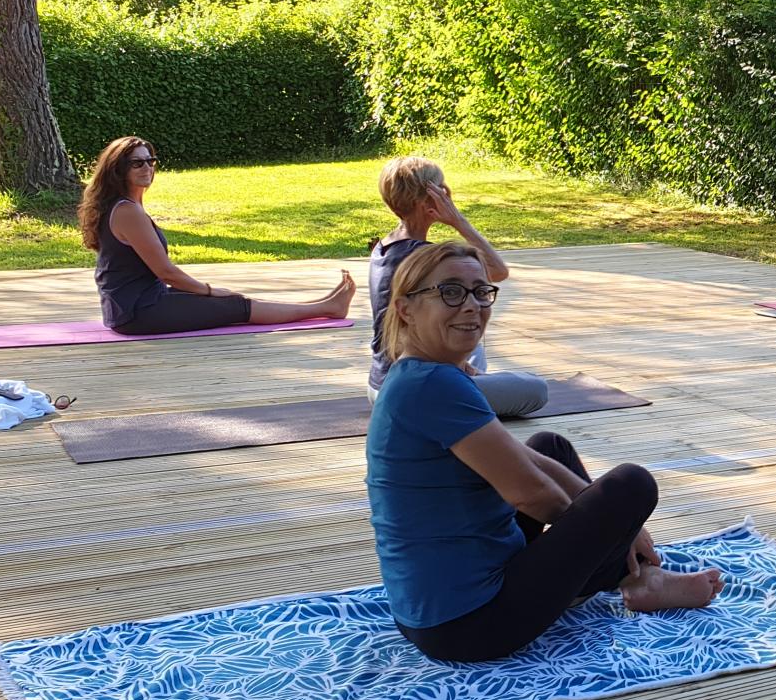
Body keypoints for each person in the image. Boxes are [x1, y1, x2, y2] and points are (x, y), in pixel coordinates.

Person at [368, 242, 723, 661]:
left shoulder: (417, 374)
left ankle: (640, 577)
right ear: (407, 308)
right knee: (631, 484)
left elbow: (527, 459)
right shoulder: (434, 385)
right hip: (469, 625)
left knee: (549, 446)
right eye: (450, 291)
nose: (472, 306)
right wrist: (610, 534)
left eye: (481, 292)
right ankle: (635, 578)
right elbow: (530, 493)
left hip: (428, 613)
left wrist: (609, 526)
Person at [78, 136, 353, 334]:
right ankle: (327, 308)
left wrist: (206, 293)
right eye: (137, 164)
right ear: (119, 170)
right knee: (234, 305)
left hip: (136, 305)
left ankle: (322, 305)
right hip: (138, 313)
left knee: (232, 302)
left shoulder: (124, 206)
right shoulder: (127, 211)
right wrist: (210, 291)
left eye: (150, 161)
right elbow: (166, 272)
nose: (147, 168)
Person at [366, 157, 546, 416]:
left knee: (470, 333)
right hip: (415, 391)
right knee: (535, 389)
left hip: (381, 383)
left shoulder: (384, 248)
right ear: (430, 199)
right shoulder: (426, 260)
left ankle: (469, 385)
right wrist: (457, 220)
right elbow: (497, 271)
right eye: (442, 190)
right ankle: (465, 393)